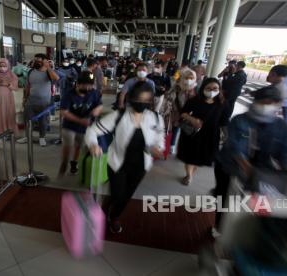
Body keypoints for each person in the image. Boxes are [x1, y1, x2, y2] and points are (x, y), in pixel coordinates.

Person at [213, 86, 287, 237]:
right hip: (230, 166)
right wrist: (246, 167)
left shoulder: (280, 125)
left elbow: (284, 151)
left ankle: (250, 233)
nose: (267, 106)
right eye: (264, 102)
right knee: (224, 198)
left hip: (262, 169)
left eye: (272, 103)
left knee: (259, 202)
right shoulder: (240, 120)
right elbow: (234, 147)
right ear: (256, 102)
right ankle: (219, 226)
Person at [85, 81, 165, 233]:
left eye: (146, 100)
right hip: (117, 164)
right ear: (131, 98)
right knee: (118, 194)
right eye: (138, 99)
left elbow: (159, 140)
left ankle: (114, 216)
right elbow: (92, 131)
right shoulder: (119, 116)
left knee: (126, 197)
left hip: (140, 166)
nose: (142, 103)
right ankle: (106, 209)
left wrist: (157, 148)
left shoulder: (155, 118)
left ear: (150, 100)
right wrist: (93, 145)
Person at [177, 78, 228, 185]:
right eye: (208, 88)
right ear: (203, 88)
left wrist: (226, 136)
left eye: (215, 88)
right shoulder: (195, 100)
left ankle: (190, 173)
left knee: (201, 158)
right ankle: (189, 175)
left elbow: (224, 121)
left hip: (211, 135)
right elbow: (183, 113)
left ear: (219, 89)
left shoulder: (222, 103)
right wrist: (193, 119)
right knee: (190, 157)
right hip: (193, 133)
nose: (212, 91)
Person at [58, 71, 103, 176]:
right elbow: (64, 111)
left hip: (85, 127)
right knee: (67, 145)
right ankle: (64, 162)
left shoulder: (94, 93)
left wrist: (96, 111)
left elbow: (99, 105)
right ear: (78, 83)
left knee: (79, 146)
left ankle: (74, 163)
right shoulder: (69, 94)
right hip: (69, 126)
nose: (88, 88)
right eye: (85, 85)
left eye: (90, 85)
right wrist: (80, 120)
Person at [20, 54, 60, 146]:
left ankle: (42, 137)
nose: (36, 61)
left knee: (43, 121)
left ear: (45, 61)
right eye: (35, 60)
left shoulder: (48, 72)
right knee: (28, 119)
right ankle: (28, 136)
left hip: (44, 102)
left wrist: (48, 67)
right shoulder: (31, 72)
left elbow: (56, 78)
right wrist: (25, 98)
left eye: (39, 60)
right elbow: (28, 86)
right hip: (31, 100)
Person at [160, 69, 198, 154]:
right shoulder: (177, 87)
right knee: (174, 129)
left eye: (191, 78)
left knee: (187, 131)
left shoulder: (196, 89)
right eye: (187, 77)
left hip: (189, 114)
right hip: (176, 112)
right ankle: (171, 145)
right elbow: (168, 96)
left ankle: (183, 148)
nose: (189, 80)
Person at [0, 58, 18, 135]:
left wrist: (8, 84)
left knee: (9, 112)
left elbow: (15, 88)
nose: (2, 67)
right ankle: (1, 131)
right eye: (1, 66)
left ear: (8, 65)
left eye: (4, 66)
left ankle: (9, 130)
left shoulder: (11, 74)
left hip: (8, 96)